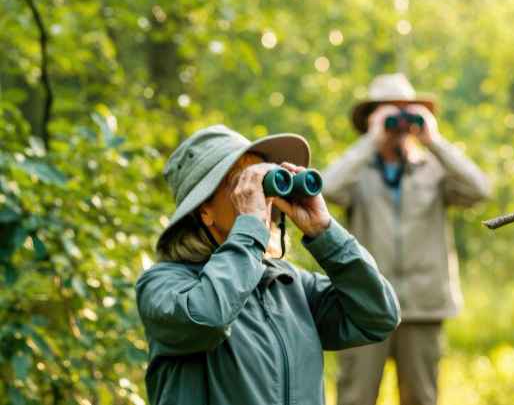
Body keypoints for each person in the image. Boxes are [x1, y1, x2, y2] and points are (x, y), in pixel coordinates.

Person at [136, 124, 400, 405]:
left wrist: (324, 231)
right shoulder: (163, 284)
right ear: (204, 210)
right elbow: (207, 318)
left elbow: (379, 315)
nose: (257, 193)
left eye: (261, 177)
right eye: (240, 182)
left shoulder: (289, 285)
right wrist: (249, 227)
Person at [323, 73, 492, 405]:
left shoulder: (434, 169)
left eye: (405, 113)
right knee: (354, 397)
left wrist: (435, 141)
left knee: (421, 398)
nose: (399, 123)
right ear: (372, 119)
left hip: (423, 305)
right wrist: (370, 142)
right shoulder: (358, 172)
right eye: (389, 114)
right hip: (365, 303)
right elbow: (326, 189)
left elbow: (480, 190)